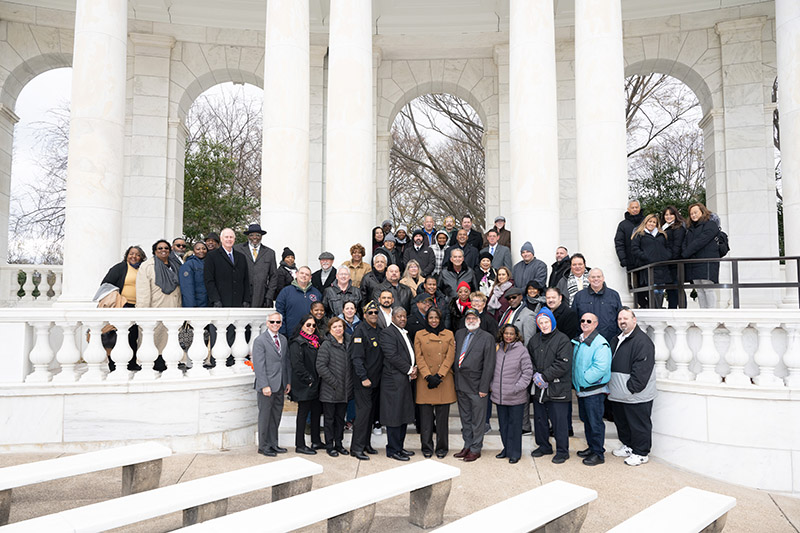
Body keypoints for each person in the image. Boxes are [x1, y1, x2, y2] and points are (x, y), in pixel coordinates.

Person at [609, 308, 656, 467]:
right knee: (623, 423)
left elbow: (643, 369)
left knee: (639, 424)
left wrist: (631, 388)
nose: (622, 321)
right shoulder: (617, 338)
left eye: (626, 318)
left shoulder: (642, 341)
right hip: (619, 394)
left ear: (634, 320)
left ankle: (641, 453)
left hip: (635, 394)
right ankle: (629, 446)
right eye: (620, 318)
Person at [528, 308, 573, 464]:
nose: (544, 325)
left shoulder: (563, 340)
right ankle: (544, 446)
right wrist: (535, 374)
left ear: (552, 321)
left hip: (557, 388)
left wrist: (545, 376)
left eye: (546, 322)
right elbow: (529, 360)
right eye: (541, 322)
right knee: (540, 419)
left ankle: (562, 451)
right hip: (539, 387)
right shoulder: (534, 340)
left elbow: (563, 364)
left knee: (559, 422)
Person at [453, 309, 496, 462]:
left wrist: (484, 387)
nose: (471, 320)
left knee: (478, 420)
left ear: (479, 320)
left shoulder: (487, 337)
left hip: (477, 386)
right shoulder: (459, 334)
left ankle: (476, 448)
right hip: (460, 384)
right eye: (468, 317)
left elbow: (489, 364)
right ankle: (467, 445)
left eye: (474, 317)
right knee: (465, 418)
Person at [415, 307, 456, 458]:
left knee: (442, 420)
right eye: (431, 318)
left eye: (436, 318)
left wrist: (439, 375)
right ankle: (426, 447)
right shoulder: (419, 334)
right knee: (425, 420)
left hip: (443, 380)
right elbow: (419, 357)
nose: (433, 321)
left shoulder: (449, 334)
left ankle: (442, 447)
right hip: (425, 381)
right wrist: (427, 376)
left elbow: (450, 357)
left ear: (441, 319)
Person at [572, 312, 612, 466]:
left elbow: (601, 367)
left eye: (589, 321)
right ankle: (591, 447)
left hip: (593, 390)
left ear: (596, 324)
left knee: (595, 423)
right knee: (587, 421)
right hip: (582, 390)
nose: (585, 323)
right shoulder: (580, 340)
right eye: (583, 320)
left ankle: (598, 453)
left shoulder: (600, 343)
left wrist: (585, 379)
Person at [379, 307, 418, 461]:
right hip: (393, 381)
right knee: (394, 417)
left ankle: (400, 447)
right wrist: (410, 369)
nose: (402, 319)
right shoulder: (387, 333)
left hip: (404, 380)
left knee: (402, 416)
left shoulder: (403, 331)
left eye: (404, 316)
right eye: (399, 316)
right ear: (393, 317)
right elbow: (392, 356)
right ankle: (393, 449)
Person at [137, 239, 182, 369]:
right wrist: (143, 311)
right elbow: (143, 291)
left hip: (174, 307)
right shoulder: (147, 266)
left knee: (170, 338)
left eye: (166, 248)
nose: (163, 251)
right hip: (156, 307)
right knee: (155, 338)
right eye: (160, 248)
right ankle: (154, 363)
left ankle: (169, 362)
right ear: (155, 251)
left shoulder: (175, 264)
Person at [492, 324, 533, 464]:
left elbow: (527, 372)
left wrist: (517, 388)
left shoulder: (522, 350)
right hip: (500, 396)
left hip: (515, 396)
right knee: (503, 425)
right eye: (506, 333)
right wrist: (493, 386)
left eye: (512, 334)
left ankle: (515, 452)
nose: (508, 336)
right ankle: (506, 449)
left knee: (515, 426)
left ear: (516, 335)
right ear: (502, 334)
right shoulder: (497, 349)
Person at [101, 245, 146, 369]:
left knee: (133, 336)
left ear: (141, 257)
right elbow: (106, 284)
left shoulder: (143, 269)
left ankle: (131, 363)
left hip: (137, 306)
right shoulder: (120, 268)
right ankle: (113, 364)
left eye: (137, 254)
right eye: (131, 254)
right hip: (122, 306)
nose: (134, 256)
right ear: (127, 255)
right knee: (119, 335)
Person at [253, 311, 290, 457]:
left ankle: (274, 444)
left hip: (280, 384)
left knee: (276, 416)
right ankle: (263, 446)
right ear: (267, 323)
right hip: (267, 386)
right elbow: (259, 365)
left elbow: (285, 362)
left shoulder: (283, 339)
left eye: (278, 322)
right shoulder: (260, 341)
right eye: (272, 322)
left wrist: (287, 382)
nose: (275, 324)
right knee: (265, 417)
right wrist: (264, 385)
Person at [350, 301, 384, 460]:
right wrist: (363, 377)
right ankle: (356, 448)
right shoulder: (360, 331)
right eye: (370, 313)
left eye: (376, 313)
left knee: (370, 415)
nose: (374, 315)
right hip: (363, 382)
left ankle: (365, 444)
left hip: (375, 381)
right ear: (364, 315)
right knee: (363, 415)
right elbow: (356, 358)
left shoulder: (379, 330)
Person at [316, 317, 353, 457]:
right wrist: (335, 382)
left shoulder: (349, 343)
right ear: (330, 330)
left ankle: (339, 444)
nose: (338, 329)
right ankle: (330, 445)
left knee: (340, 419)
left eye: (340, 326)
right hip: (330, 390)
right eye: (335, 327)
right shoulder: (326, 344)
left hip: (345, 390)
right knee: (329, 420)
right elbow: (320, 366)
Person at [288, 314, 324, 455]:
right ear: (302, 325)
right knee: (303, 414)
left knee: (316, 412)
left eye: (313, 325)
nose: (311, 328)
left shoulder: (317, 341)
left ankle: (316, 441)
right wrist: (309, 379)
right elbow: (297, 365)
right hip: (305, 383)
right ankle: (300, 444)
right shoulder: (297, 342)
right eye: (308, 325)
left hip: (317, 382)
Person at [682, 202, 721, 309]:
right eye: (691, 214)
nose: (693, 215)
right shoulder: (690, 228)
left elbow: (700, 241)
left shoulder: (711, 224)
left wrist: (685, 253)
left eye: (696, 212)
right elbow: (685, 242)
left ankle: (711, 314)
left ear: (702, 212)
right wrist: (685, 252)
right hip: (694, 262)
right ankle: (703, 313)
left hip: (707, 262)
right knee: (699, 289)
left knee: (708, 288)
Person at [631, 214, 672, 308]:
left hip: (662, 267)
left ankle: (659, 309)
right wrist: (645, 257)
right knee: (653, 290)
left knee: (660, 290)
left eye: (654, 222)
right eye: (650, 221)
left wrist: (666, 256)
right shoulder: (639, 235)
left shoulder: (662, 234)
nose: (652, 224)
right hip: (648, 267)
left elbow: (668, 247)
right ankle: (655, 309)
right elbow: (634, 249)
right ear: (645, 222)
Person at [572, 268, 622, 344]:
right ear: (588, 279)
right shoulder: (579, 296)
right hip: (585, 341)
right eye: (593, 277)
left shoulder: (614, 295)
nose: (596, 279)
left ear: (603, 278)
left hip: (610, 340)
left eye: (598, 277)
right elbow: (574, 320)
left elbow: (620, 317)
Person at [204, 228, 251, 308]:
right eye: (226, 237)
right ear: (221, 239)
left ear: (234, 239)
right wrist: (216, 299)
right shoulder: (212, 256)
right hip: (220, 302)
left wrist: (246, 299)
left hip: (238, 302)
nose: (229, 239)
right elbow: (209, 280)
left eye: (231, 237)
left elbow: (246, 280)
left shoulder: (241, 257)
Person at [235, 223, 278, 307]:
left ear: (261, 236)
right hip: (241, 294)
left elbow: (274, 276)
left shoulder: (269, 253)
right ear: (247, 236)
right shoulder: (237, 249)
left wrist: (269, 296)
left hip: (261, 295)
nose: (255, 237)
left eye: (258, 235)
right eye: (251, 235)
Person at [276, 266, 323, 337]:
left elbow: (321, 314)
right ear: (296, 274)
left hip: (311, 335)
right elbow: (280, 313)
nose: (304, 276)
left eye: (307, 274)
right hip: (291, 334)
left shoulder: (316, 293)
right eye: (302, 273)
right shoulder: (286, 292)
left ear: (310, 277)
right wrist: (282, 331)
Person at [614, 200, 645, 308]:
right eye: (633, 207)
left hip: (646, 260)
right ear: (628, 210)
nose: (635, 209)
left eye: (637, 207)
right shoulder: (623, 225)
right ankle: (645, 305)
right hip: (631, 262)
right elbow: (619, 243)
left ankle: (650, 306)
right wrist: (623, 259)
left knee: (647, 284)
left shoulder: (646, 222)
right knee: (635, 287)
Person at [661, 206, 687, 309]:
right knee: (670, 289)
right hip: (667, 264)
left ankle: (683, 311)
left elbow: (677, 246)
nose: (669, 217)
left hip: (676, 263)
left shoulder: (679, 227)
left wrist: (669, 258)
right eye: (666, 214)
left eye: (671, 214)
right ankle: (671, 310)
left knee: (678, 288)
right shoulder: (663, 228)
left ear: (675, 215)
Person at [180, 242, 208, 308]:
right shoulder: (188, 264)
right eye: (198, 249)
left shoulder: (208, 262)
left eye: (204, 249)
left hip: (207, 303)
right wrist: (190, 307)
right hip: (196, 304)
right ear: (194, 251)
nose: (201, 251)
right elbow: (187, 288)